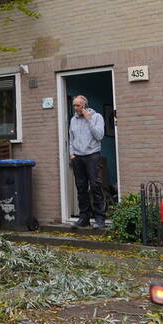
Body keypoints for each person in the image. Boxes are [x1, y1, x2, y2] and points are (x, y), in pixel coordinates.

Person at [69, 95, 106, 229]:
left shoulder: (97, 117)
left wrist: (89, 120)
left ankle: (100, 219)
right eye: (74, 105)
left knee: (95, 186)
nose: (75, 108)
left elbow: (99, 136)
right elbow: (71, 138)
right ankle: (84, 218)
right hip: (77, 158)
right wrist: (72, 154)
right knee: (81, 188)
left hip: (92, 156)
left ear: (85, 105)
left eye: (78, 105)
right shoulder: (73, 120)